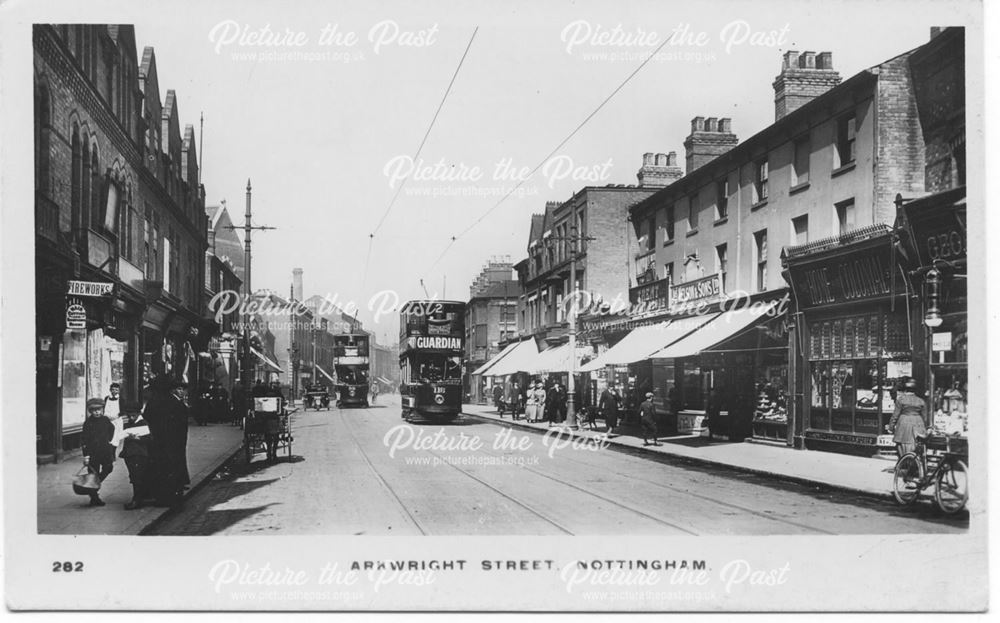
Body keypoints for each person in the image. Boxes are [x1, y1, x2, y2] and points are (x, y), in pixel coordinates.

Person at [81, 398, 116, 506]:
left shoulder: (105, 420)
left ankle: (93, 488)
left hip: (105, 450)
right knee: (93, 474)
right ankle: (94, 498)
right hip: (93, 453)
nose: (97, 412)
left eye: (99, 410)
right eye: (94, 410)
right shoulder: (88, 423)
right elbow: (84, 440)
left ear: (102, 410)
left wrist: (108, 440)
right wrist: (86, 455)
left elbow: (112, 428)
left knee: (108, 468)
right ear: (90, 411)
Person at [888, 377, 927, 458]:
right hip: (918, 423)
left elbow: (895, 415)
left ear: (905, 390)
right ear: (915, 390)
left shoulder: (901, 400)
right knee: (916, 445)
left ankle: (904, 464)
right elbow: (925, 417)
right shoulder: (921, 401)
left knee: (902, 445)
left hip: (904, 424)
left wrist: (891, 427)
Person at [104, 383, 124, 452]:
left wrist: (117, 416)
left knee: (116, 437)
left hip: (117, 420)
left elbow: (123, 410)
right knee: (108, 436)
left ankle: (113, 452)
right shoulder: (107, 398)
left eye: (116, 390)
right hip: (107, 420)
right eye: (113, 390)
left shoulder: (121, 399)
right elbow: (104, 408)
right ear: (110, 390)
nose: (114, 391)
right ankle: (108, 452)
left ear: (119, 391)